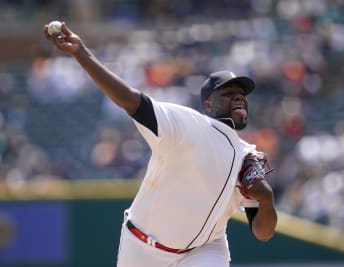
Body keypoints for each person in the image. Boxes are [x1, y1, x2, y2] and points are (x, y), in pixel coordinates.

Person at [43, 22, 277, 267]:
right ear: (208, 105)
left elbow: (264, 233)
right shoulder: (187, 124)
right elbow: (132, 101)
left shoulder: (247, 156)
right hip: (142, 247)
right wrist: (82, 54)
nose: (239, 96)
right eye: (228, 93)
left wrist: (266, 200)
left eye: (241, 94)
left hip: (204, 250)